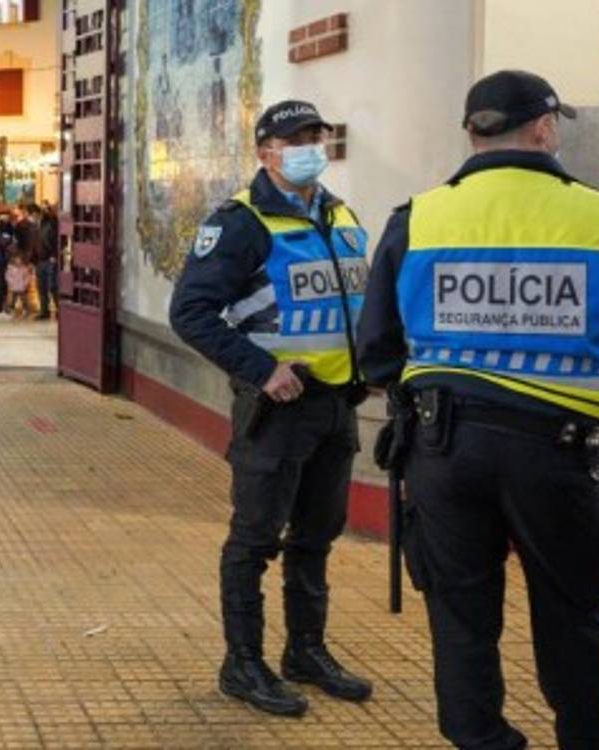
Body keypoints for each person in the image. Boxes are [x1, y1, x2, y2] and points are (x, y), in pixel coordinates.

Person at [357, 70, 599, 750]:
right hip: (559, 450)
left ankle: (482, 741)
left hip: (442, 448)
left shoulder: (418, 217)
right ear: (545, 127)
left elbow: (375, 347)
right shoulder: (598, 217)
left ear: (472, 132)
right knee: (571, 614)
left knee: (461, 618)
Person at [168, 99, 373, 718]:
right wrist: (262, 370)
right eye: (295, 137)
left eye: (317, 134)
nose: (311, 144)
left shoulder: (338, 215)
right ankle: (242, 662)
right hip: (277, 408)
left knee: (317, 535)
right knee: (255, 538)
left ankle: (305, 650)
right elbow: (191, 313)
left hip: (336, 404)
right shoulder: (241, 222)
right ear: (265, 152)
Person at [35, 203, 60, 320]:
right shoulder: (40, 225)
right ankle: (44, 311)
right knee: (41, 287)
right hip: (40, 260)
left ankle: (59, 309)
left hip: (50, 260)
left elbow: (57, 241)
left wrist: (54, 255)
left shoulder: (54, 223)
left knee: (53, 286)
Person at [5, 250, 33, 319]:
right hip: (14, 287)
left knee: (24, 299)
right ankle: (11, 310)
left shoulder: (24, 268)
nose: (18, 261)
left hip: (22, 287)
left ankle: (26, 310)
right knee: (12, 299)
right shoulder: (10, 268)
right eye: (17, 259)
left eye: (19, 259)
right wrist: (11, 283)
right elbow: (8, 276)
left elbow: (28, 276)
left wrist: (25, 283)